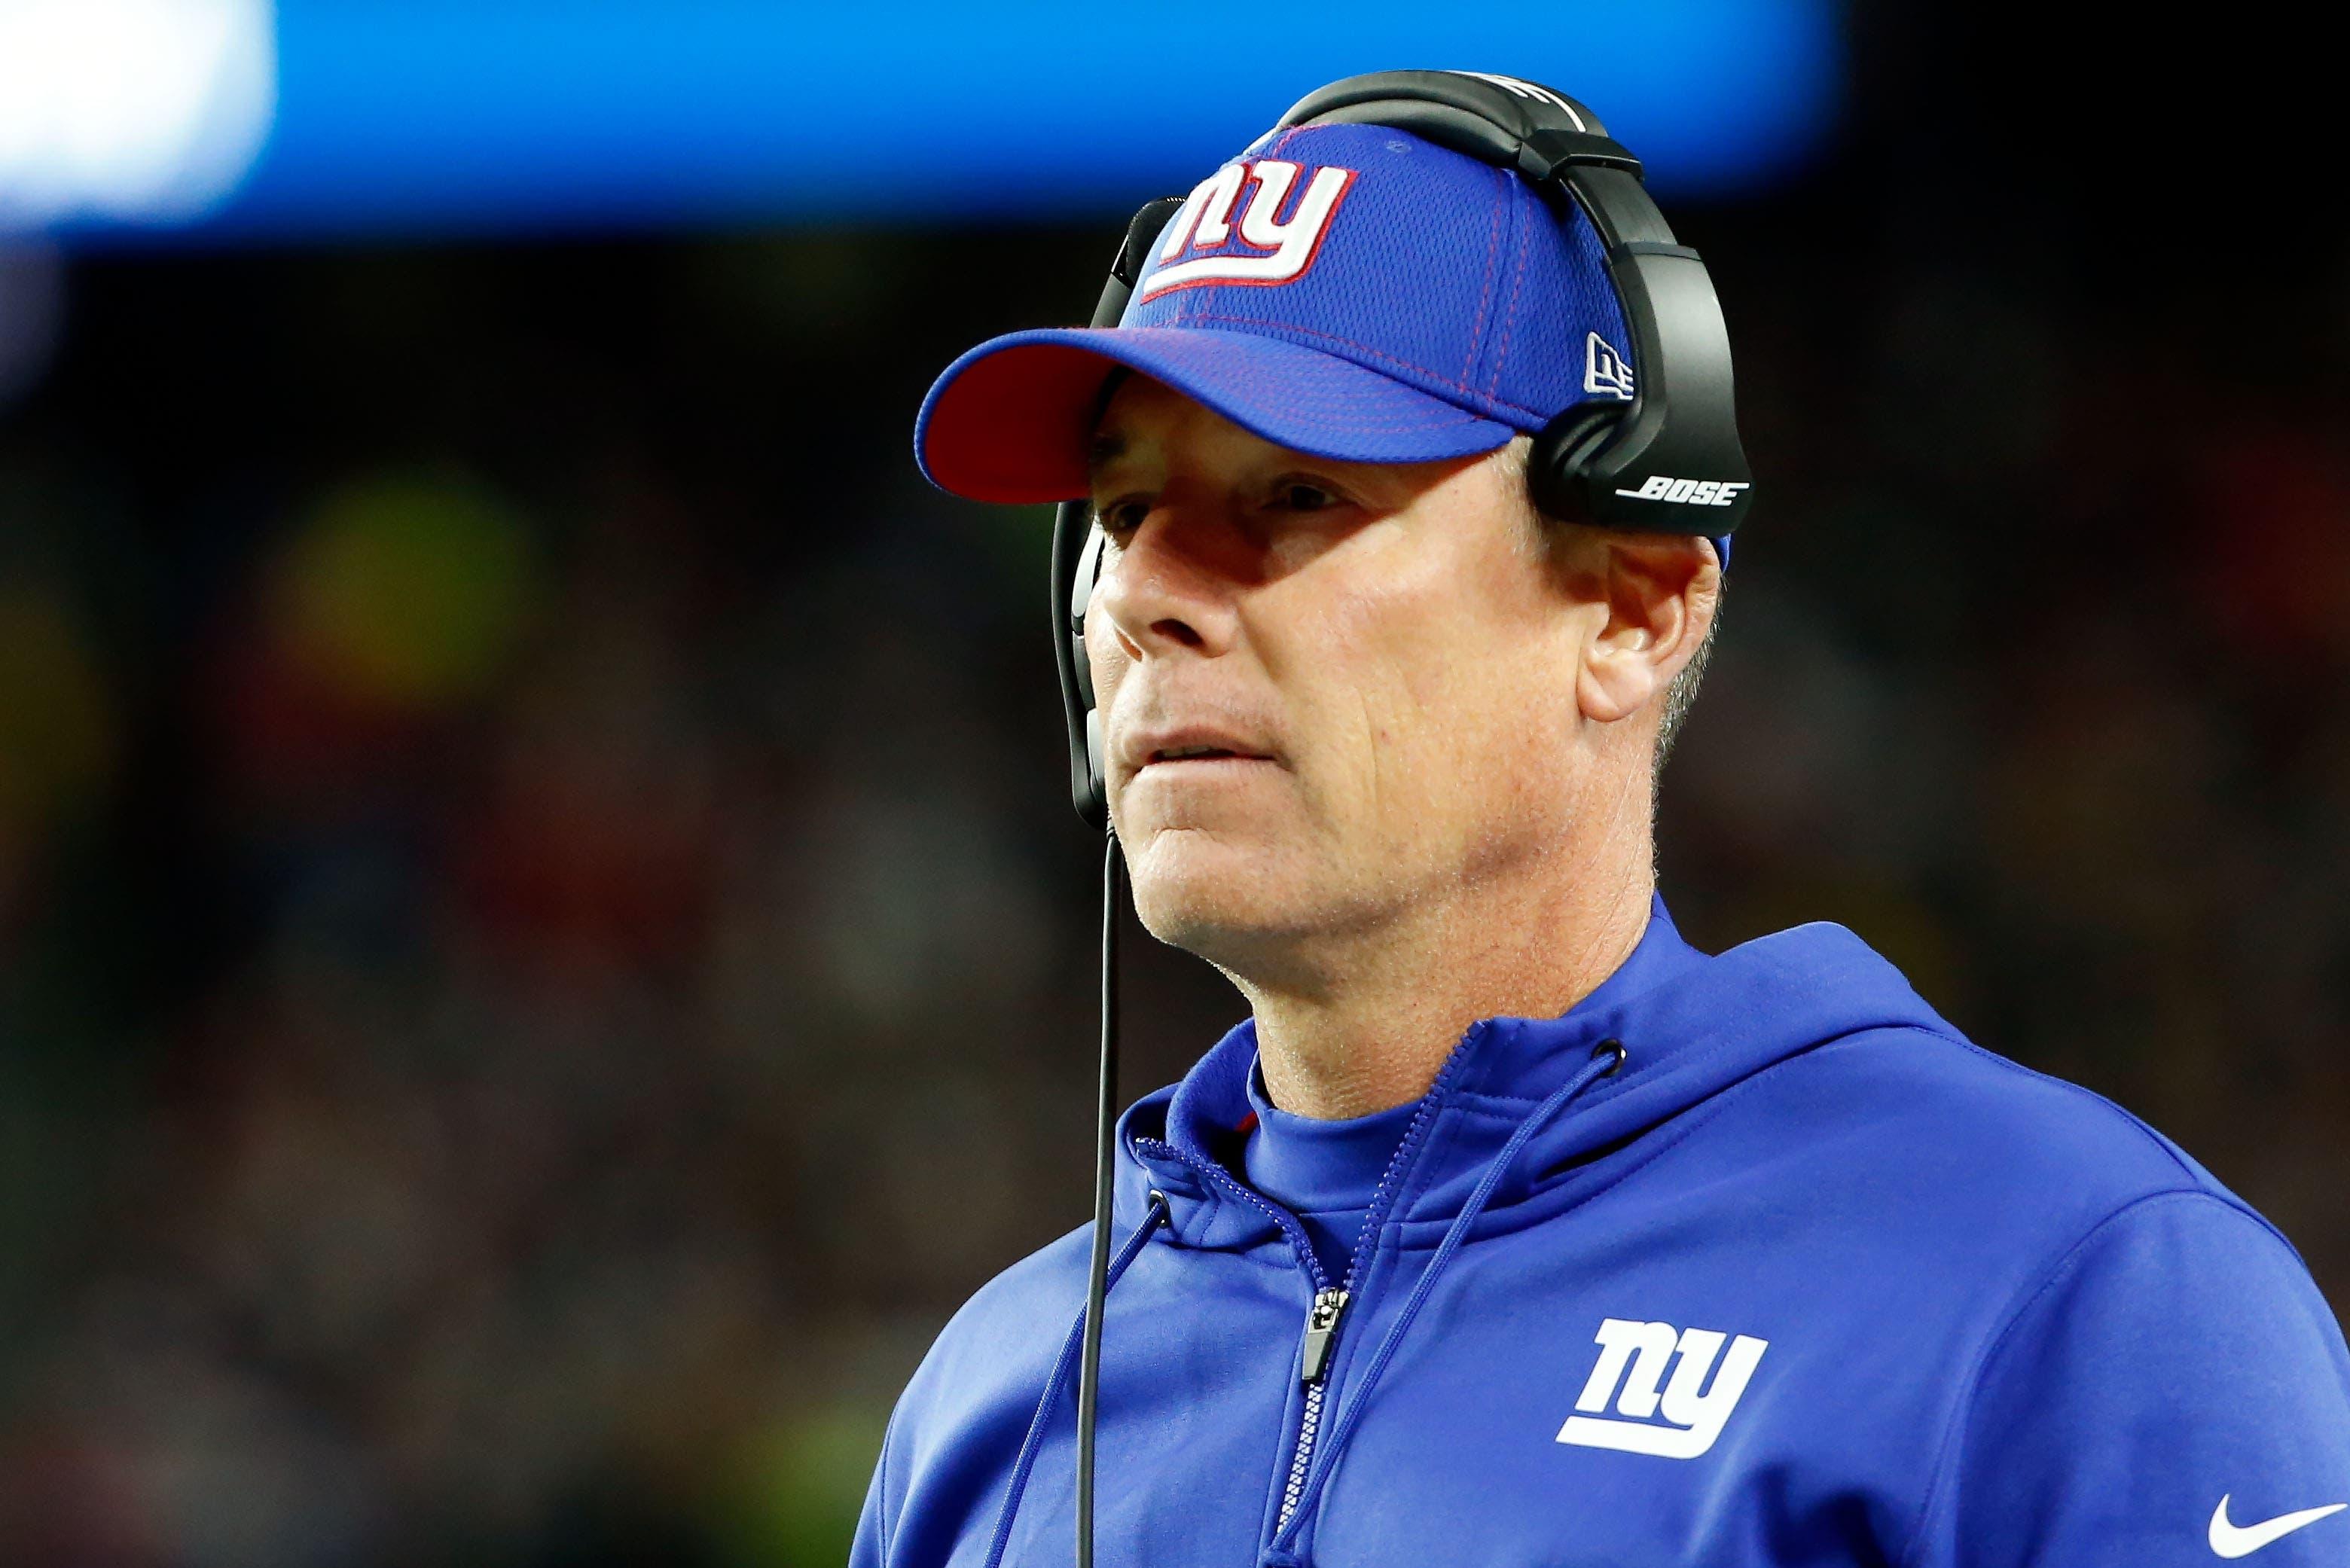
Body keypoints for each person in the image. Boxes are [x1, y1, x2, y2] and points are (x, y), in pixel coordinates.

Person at [854, 72, 2350, 1568]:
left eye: (1297, 493)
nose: (1147, 596)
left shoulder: (2064, 1289)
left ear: (1634, 608)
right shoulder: (997, 1402)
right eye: (1120, 516)